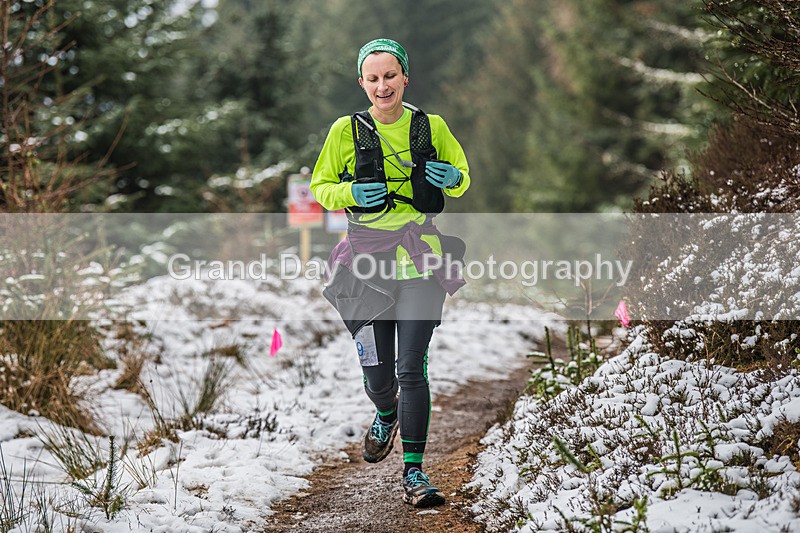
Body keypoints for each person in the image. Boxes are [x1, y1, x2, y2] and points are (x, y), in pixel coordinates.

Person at [310, 38, 470, 508]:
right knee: (380, 377)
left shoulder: (430, 126)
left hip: (421, 259)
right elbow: (322, 187)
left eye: (390, 76)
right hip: (364, 263)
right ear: (363, 83)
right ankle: (385, 412)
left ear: (405, 79)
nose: (383, 86)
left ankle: (415, 473)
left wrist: (451, 179)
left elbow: (461, 175)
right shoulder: (345, 130)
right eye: (373, 78)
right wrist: (353, 194)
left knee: (411, 368)